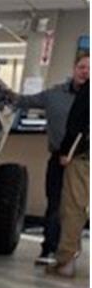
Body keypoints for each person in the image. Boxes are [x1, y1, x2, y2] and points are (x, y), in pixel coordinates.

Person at [12, 51, 90, 265]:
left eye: (90, 68)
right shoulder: (54, 95)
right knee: (55, 204)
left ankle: (68, 252)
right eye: (82, 67)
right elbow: (23, 101)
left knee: (74, 206)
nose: (86, 72)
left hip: (83, 158)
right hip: (59, 157)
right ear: (74, 69)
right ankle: (50, 249)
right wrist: (3, 92)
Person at [48, 79, 89, 278]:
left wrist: (66, 151)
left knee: (73, 206)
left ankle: (66, 261)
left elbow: (77, 123)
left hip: (83, 156)